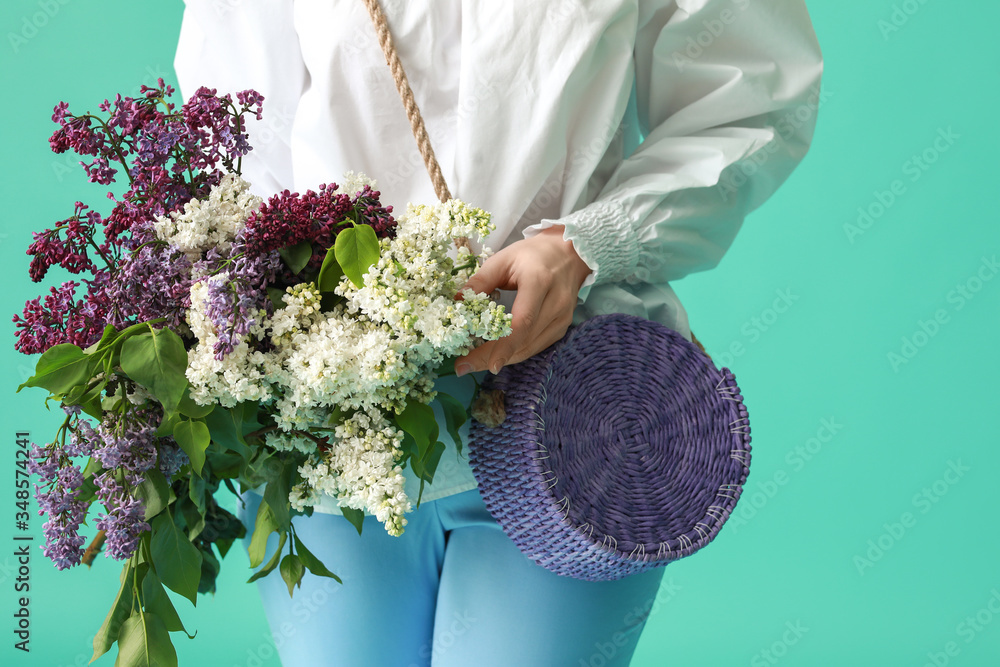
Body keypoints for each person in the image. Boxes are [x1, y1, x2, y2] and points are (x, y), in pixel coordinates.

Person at [174, 1, 823, 664]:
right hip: (330, 441)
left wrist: (584, 245)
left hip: (577, 424)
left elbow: (754, 93)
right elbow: (230, 140)